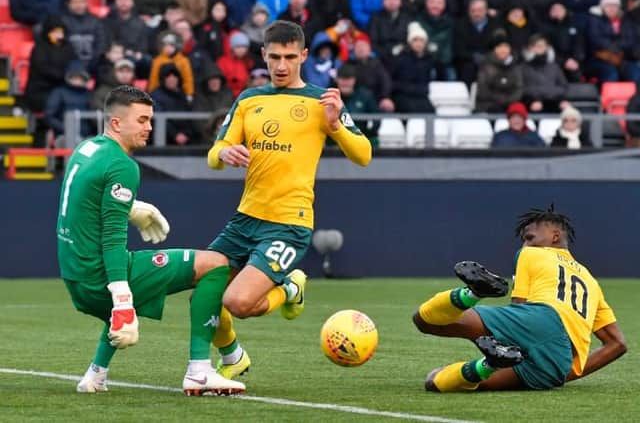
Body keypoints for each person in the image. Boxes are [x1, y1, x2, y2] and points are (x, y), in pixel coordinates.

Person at [204, 20, 372, 378]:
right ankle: (234, 358)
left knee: (237, 302)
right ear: (263, 55)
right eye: (275, 57)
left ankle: (290, 286)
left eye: (290, 57)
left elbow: (364, 155)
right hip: (245, 218)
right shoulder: (249, 100)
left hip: (288, 222)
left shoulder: (322, 100)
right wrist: (225, 154)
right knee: (204, 297)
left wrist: (336, 125)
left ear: (304, 56)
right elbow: (214, 153)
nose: (282, 65)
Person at [57, 85, 245, 396]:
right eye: (142, 120)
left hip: (74, 275)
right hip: (99, 276)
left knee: (138, 279)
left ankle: (96, 374)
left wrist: (129, 207)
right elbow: (112, 237)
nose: (149, 128)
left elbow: (83, 204)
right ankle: (200, 372)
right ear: (117, 123)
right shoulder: (122, 165)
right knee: (215, 264)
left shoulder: (86, 149)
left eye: (150, 120)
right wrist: (121, 300)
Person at [413, 205, 627, 392]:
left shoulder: (531, 254)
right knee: (435, 380)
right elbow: (617, 344)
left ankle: (473, 293)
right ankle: (488, 365)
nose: (525, 244)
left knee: (424, 320)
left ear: (554, 236)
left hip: (540, 319)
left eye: (529, 238)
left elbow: (519, 307)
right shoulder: (590, 281)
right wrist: (564, 372)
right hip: (556, 363)